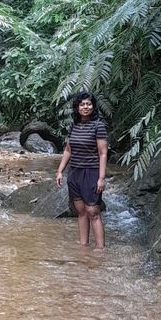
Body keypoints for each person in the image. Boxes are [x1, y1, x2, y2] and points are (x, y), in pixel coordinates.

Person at [55, 91, 108, 248]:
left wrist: (101, 178)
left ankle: (100, 251)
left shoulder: (99, 126)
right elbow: (68, 150)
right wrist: (59, 171)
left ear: (93, 106)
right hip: (75, 173)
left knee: (93, 212)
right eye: (82, 104)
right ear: (77, 107)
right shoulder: (74, 126)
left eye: (89, 104)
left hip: (91, 172)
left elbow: (103, 153)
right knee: (81, 212)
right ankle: (83, 247)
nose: (86, 107)